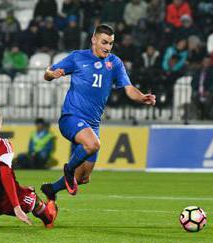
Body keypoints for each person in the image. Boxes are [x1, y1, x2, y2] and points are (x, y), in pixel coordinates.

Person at [40, 24, 156, 201]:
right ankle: (68, 169)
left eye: (110, 43)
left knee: (83, 177)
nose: (108, 47)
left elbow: (129, 88)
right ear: (94, 39)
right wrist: (52, 74)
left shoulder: (115, 63)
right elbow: (47, 73)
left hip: (93, 124)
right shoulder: (77, 57)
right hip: (71, 118)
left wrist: (141, 98)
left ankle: (52, 189)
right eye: (104, 42)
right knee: (93, 145)